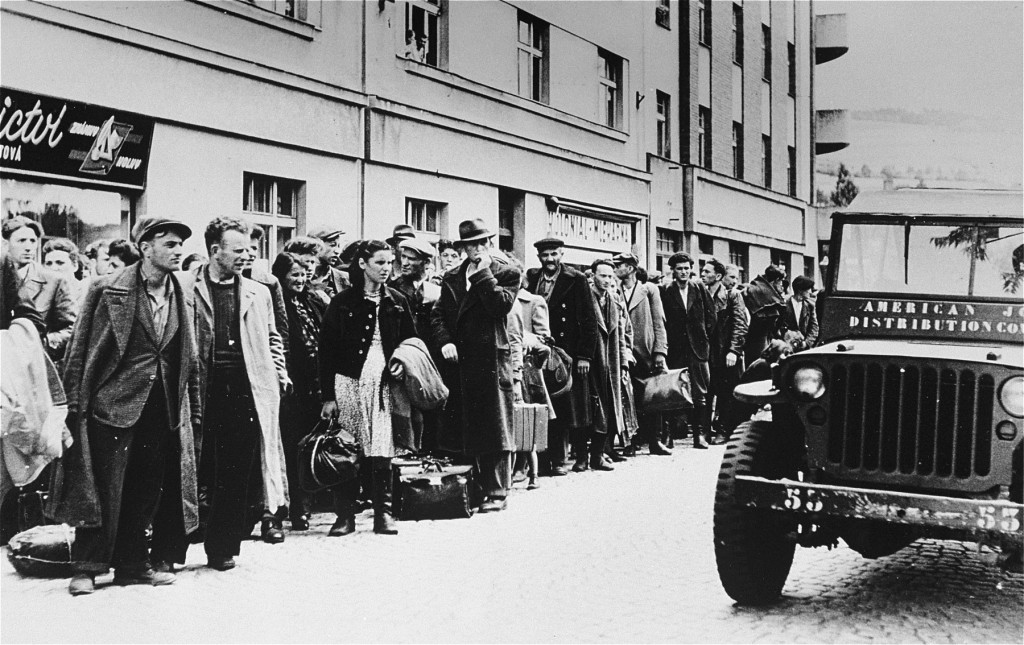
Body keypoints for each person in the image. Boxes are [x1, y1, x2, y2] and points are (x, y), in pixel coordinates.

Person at [51, 217, 201, 595]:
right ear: (145, 246)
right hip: (111, 404)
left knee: (145, 488)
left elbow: (191, 357)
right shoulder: (107, 288)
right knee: (99, 487)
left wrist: (193, 410)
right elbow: (79, 349)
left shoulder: (182, 292)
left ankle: (133, 565)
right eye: (169, 243)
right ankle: (87, 567)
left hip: (160, 405)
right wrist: (69, 406)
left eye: (180, 244)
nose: (177, 250)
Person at [190, 217, 291, 570]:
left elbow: (273, 337)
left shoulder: (257, 292)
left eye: (250, 249)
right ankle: (171, 548)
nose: (246, 256)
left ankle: (222, 548)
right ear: (215, 251)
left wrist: (278, 373)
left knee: (235, 471)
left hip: (246, 389)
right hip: (200, 387)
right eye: (238, 250)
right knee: (191, 465)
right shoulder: (186, 287)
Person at [320, 240, 417, 534]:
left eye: (389, 263)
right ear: (362, 264)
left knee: (382, 443)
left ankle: (383, 513)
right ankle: (345, 514)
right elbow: (327, 351)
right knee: (347, 445)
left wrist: (403, 361)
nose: (386, 269)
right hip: (348, 380)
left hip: (384, 382)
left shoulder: (397, 300)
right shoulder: (342, 302)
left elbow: (413, 341)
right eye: (380, 263)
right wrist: (328, 397)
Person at [431, 219, 520, 512]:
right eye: (472, 245)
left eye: (484, 243)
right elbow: (439, 314)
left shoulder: (506, 272)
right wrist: (445, 340)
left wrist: (483, 274)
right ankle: (474, 488)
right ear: (463, 248)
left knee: (494, 426)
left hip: (491, 359)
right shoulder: (452, 276)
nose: (479, 249)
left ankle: (498, 491)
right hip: (460, 360)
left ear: (491, 244)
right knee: (465, 427)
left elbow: (500, 306)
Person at [524, 237, 599, 476]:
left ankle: (572, 458)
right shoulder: (533, 277)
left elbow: (589, 320)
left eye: (554, 254)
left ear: (562, 254)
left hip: (568, 352)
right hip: (540, 351)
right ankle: (546, 461)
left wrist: (585, 355)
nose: (550, 260)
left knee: (572, 406)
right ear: (539, 257)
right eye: (545, 255)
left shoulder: (575, 279)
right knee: (545, 404)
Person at [272, 252, 327, 532]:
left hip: (314, 387)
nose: (301, 279)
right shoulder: (276, 304)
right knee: (292, 447)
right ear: (281, 277)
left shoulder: (313, 301)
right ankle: (292, 508)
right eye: (294, 275)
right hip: (291, 388)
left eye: (304, 274)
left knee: (309, 446)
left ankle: (307, 504)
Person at [612, 252, 670, 456]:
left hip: (645, 351)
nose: (615, 269)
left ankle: (655, 440)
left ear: (629, 268)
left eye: (618, 265)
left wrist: (660, 352)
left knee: (651, 396)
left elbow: (659, 322)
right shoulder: (614, 290)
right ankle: (630, 442)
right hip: (624, 351)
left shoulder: (649, 290)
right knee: (627, 397)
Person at [582, 259, 634, 471]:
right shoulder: (586, 298)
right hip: (592, 361)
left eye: (610, 276)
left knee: (609, 406)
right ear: (593, 275)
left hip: (611, 362)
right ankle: (586, 456)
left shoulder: (614, 301)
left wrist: (623, 363)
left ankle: (599, 453)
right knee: (591, 409)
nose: (607, 280)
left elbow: (620, 336)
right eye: (602, 276)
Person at [506, 254, 552, 490]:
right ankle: (517, 470)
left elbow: (544, 341)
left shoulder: (531, 302)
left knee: (526, 423)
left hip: (526, 370)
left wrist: (530, 343)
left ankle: (528, 471)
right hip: (511, 367)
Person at [660, 252, 716, 449]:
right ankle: (668, 435)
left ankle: (699, 435)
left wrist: (703, 337)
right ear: (673, 271)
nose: (683, 272)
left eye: (686, 268)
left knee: (700, 391)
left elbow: (711, 315)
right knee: (672, 391)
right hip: (676, 348)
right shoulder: (665, 290)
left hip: (697, 348)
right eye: (679, 269)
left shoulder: (698, 288)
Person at [2, 216, 76, 361]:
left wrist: (40, 346)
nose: (28, 247)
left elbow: (72, 329)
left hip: (37, 364)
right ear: (5, 245)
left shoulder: (54, 281)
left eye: (33, 241)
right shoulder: (1, 279)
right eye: (21, 241)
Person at [701, 257, 748, 444]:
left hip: (725, 352)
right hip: (705, 352)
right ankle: (704, 430)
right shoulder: (700, 293)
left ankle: (723, 429)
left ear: (718, 276)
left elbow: (740, 324)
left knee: (726, 393)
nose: (703, 275)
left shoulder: (732, 295)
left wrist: (734, 351)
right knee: (705, 391)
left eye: (707, 272)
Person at [244, 227, 290, 360]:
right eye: (246, 248)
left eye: (254, 248)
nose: (251, 254)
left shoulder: (268, 282)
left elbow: (280, 328)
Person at [390, 237, 441, 334]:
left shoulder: (439, 287)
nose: (404, 263)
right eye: (403, 257)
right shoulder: (393, 287)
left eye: (411, 259)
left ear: (426, 262)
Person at [743, 264, 787, 365]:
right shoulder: (764, 294)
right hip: (758, 340)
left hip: (764, 338)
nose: (782, 285)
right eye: (780, 281)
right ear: (775, 280)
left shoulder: (757, 289)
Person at [42, 237, 86, 306]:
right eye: (49, 263)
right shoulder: (42, 294)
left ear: (75, 266)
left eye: (60, 263)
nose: (53, 268)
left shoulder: (85, 292)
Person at [309, 226, 350, 298]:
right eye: (332, 245)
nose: (337, 251)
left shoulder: (346, 278)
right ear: (315, 246)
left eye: (338, 246)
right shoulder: (301, 277)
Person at [784, 275, 819, 348]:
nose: (810, 291)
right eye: (808, 288)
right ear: (800, 290)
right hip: (786, 346)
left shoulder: (810, 306)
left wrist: (806, 343)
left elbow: (814, 327)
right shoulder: (784, 304)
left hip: (803, 347)